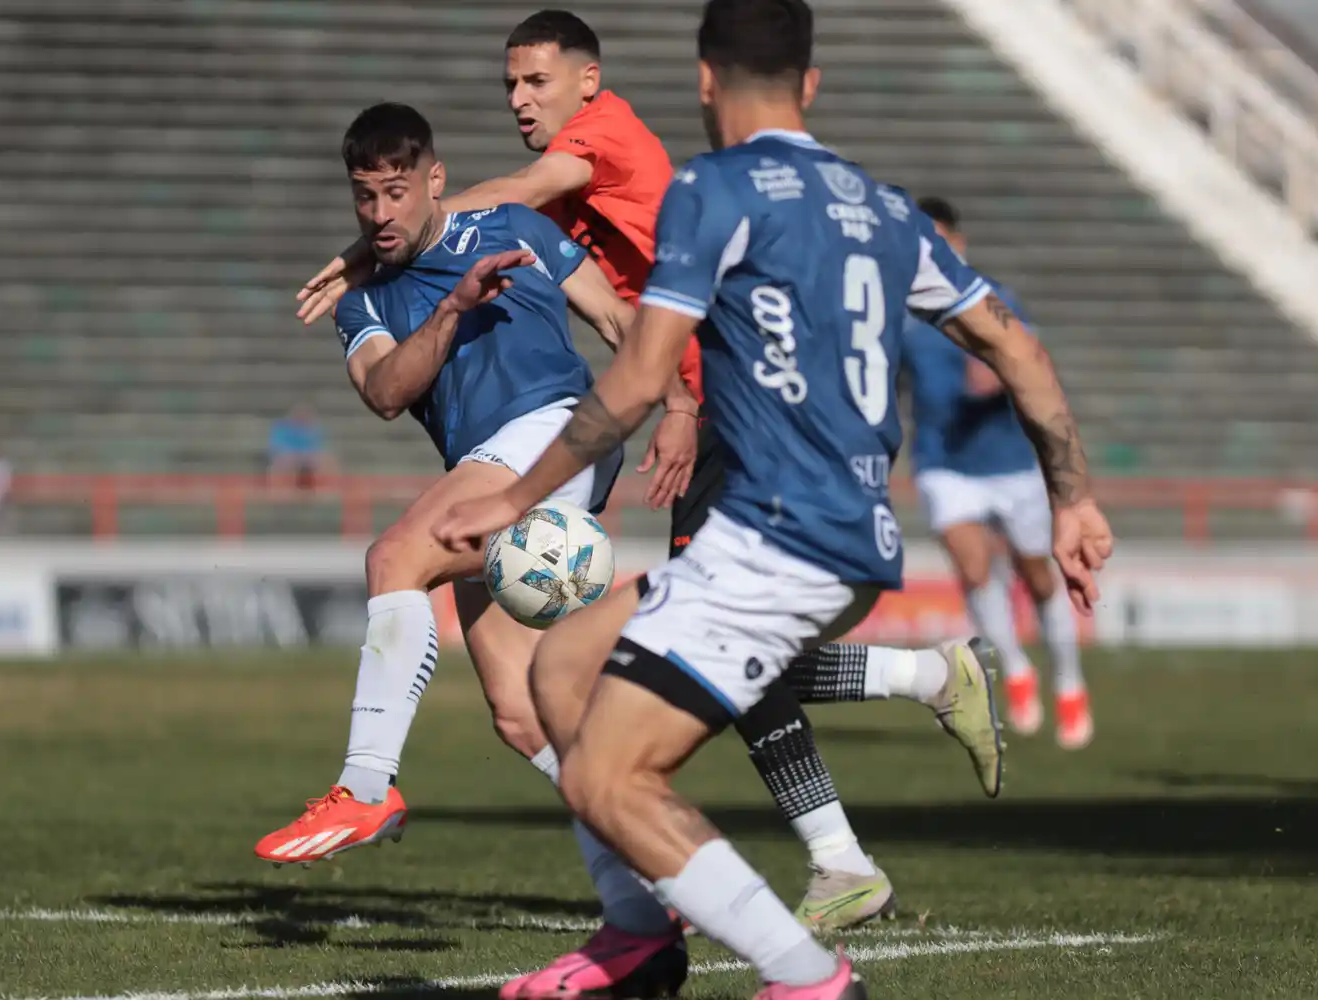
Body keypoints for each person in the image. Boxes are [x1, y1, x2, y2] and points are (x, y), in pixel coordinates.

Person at [434, 1, 1113, 997]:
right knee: (562, 668)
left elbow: (635, 378)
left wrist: (518, 498)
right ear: (812, 82)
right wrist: (1074, 500)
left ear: (706, 82)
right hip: (845, 535)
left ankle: (810, 978)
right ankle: (639, 933)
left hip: (779, 536)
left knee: (604, 775)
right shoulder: (884, 209)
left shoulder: (712, 191)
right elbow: (1017, 345)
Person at [294, 9, 1004, 930]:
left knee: (688, 640)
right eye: (508, 84)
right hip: (683, 391)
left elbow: (507, 193)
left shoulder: (598, 139)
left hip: (710, 396)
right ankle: (878, 754)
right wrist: (386, 241)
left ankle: (824, 856)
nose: (518, 100)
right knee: (540, 703)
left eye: (535, 82)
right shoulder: (533, 204)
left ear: (587, 82)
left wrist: (367, 244)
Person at [254, 102, 679, 864]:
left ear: (434, 180)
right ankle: (657, 867)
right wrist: (453, 307)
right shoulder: (362, 299)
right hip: (486, 463)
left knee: (394, 559)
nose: (381, 212)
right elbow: (385, 392)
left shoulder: (515, 227)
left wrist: (679, 402)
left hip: (555, 430)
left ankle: (365, 785)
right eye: (365, 195)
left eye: (397, 191)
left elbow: (619, 321)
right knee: (519, 712)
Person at [903, 197, 1093, 749]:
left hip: (1010, 462)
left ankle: (1069, 680)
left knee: (1036, 575)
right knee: (972, 565)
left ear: (958, 244)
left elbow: (1028, 359)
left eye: (937, 241)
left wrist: (999, 376)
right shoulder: (898, 314)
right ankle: (1013, 668)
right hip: (944, 463)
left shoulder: (991, 300)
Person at [266, 402, 336, 488]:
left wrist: (307, 455)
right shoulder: (281, 428)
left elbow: (320, 446)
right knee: (284, 461)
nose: (302, 417)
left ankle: (325, 489)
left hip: (308, 457)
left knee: (326, 460)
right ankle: (282, 490)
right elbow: (276, 446)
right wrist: (294, 455)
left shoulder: (314, 430)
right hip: (289, 456)